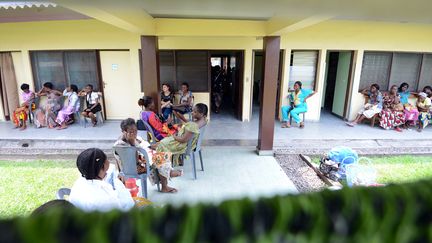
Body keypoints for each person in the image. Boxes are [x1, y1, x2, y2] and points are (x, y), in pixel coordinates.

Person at [113, 118, 183, 193]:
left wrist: (151, 148)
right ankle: (167, 177)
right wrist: (133, 143)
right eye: (131, 132)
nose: (134, 133)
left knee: (162, 155)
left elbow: (143, 147)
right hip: (136, 168)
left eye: (135, 131)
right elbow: (135, 161)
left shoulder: (134, 139)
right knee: (160, 159)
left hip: (142, 161)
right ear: (124, 132)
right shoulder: (120, 145)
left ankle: (167, 174)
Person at [69, 148, 135, 212]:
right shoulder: (107, 200)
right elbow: (128, 206)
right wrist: (119, 184)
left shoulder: (78, 183)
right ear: (103, 166)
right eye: (107, 159)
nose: (109, 162)